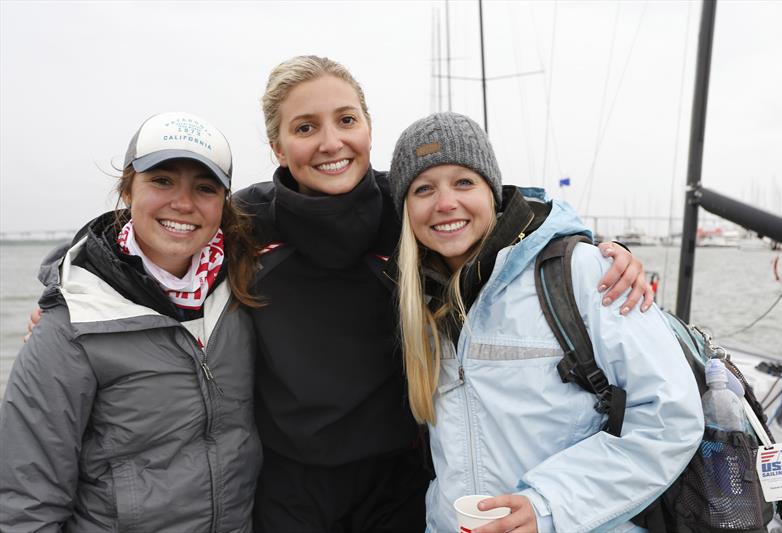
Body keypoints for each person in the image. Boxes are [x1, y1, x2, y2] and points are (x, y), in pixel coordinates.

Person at [236, 55, 656, 533]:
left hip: (400, 480)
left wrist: (597, 247)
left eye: (346, 120)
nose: (332, 142)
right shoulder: (246, 224)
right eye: (306, 127)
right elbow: (166, 243)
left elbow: (510, 217)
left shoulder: (410, 209)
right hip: (292, 486)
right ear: (277, 146)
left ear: (369, 128)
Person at [388, 112, 705, 533]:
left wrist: (547, 506)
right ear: (405, 209)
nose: (445, 203)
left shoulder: (583, 273)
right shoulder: (424, 304)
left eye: (464, 182)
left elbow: (669, 416)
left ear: (493, 192)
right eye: (423, 189)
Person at [0, 112, 263, 532]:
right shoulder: (74, 322)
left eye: (205, 187)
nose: (183, 203)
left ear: (224, 203)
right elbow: (27, 500)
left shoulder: (247, 288)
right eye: (162, 181)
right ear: (127, 188)